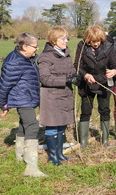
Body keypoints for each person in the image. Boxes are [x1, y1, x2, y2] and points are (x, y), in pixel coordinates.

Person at [0, 32, 48, 177]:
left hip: (26, 98)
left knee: (24, 126)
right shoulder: (15, 62)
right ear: (24, 47)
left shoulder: (25, 58)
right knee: (32, 126)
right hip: (23, 99)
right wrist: (2, 104)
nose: (37, 49)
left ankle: (19, 157)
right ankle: (31, 168)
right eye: (35, 46)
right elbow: (3, 85)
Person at [38, 26, 80, 166]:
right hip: (51, 97)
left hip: (65, 94)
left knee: (62, 125)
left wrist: (76, 77)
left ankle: (59, 152)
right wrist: (66, 80)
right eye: (63, 38)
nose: (66, 41)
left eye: (66, 38)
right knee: (52, 126)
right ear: (54, 40)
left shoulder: (66, 54)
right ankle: (52, 156)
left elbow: (72, 70)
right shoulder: (45, 57)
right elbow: (44, 78)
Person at [74, 25, 116, 148]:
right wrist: (86, 75)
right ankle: (83, 141)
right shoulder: (81, 46)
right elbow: (77, 65)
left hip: (103, 84)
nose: (96, 44)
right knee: (86, 111)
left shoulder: (109, 47)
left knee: (104, 110)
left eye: (98, 41)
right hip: (86, 85)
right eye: (93, 42)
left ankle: (105, 140)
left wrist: (114, 71)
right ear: (88, 40)